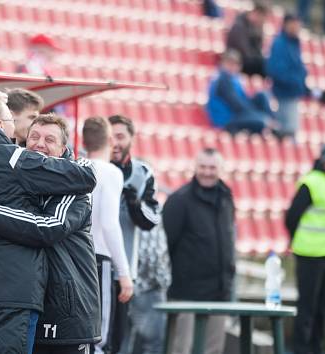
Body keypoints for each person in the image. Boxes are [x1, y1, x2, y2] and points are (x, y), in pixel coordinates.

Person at [0, 94, 97, 354]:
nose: (40, 145)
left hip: (66, 311)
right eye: (34, 137)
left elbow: (50, 226)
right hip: (27, 301)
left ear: (63, 149)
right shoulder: (18, 171)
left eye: (49, 140)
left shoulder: (73, 188)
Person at [162, 148, 235, 354]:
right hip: (186, 294)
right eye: (202, 167)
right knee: (181, 349)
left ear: (220, 169)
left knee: (214, 350)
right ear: (195, 167)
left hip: (219, 293)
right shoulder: (179, 200)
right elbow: (166, 245)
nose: (207, 172)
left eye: (212, 167)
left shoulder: (226, 198)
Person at [107, 115, 170, 354]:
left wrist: (135, 205)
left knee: (139, 341)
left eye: (120, 136)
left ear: (131, 139)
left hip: (133, 274)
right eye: (110, 137)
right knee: (106, 339)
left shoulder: (143, 173)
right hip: (96, 269)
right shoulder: (92, 168)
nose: (115, 142)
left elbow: (151, 220)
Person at [285, 142, 325, 354]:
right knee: (307, 308)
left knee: (322, 308)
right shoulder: (311, 183)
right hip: (310, 254)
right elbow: (291, 217)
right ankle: (302, 349)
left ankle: (316, 348)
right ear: (324, 159)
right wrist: (299, 242)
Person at [81, 116, 133, 354]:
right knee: (99, 336)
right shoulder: (111, 172)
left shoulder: (78, 165)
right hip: (98, 257)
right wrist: (124, 272)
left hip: (75, 255)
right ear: (110, 140)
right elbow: (110, 224)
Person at [207, 50, 276, 135]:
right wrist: (258, 115)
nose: (232, 67)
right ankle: (271, 124)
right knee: (261, 121)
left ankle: (272, 122)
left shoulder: (234, 79)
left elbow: (243, 101)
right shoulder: (223, 80)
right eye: (229, 63)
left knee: (262, 96)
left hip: (237, 115)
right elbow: (237, 105)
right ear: (223, 63)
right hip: (227, 120)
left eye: (236, 64)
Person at [266, 14, 308, 138]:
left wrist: (302, 83)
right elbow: (276, 70)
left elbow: (299, 67)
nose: (297, 27)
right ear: (286, 24)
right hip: (284, 93)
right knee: (287, 132)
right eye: (294, 24)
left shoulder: (294, 43)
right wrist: (295, 81)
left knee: (290, 131)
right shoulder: (279, 43)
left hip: (293, 93)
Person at [226, 2, 269, 77]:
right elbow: (245, 52)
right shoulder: (239, 26)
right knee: (266, 66)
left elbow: (258, 50)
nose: (263, 22)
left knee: (267, 64)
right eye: (262, 18)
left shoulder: (255, 28)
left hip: (249, 61)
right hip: (238, 61)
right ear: (256, 13)